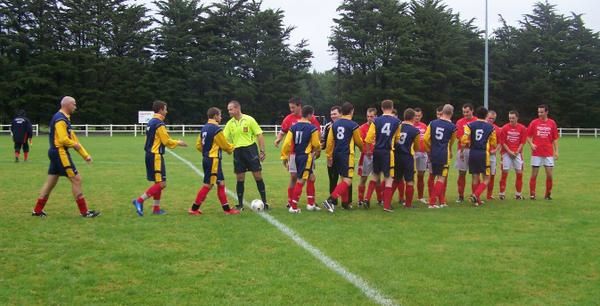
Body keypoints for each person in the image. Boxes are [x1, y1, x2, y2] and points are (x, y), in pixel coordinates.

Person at [32, 96, 100, 218]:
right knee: (77, 179)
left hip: (55, 152)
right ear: (67, 105)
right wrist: (76, 146)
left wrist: (85, 155)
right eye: (74, 104)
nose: (75, 107)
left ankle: (37, 210)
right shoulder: (60, 119)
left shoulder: (65, 119)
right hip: (60, 153)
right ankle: (84, 212)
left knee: (50, 182)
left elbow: (74, 138)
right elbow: (64, 139)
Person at [132, 100, 187, 216]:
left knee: (158, 183)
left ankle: (156, 209)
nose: (167, 111)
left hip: (149, 154)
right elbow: (166, 141)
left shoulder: (151, 122)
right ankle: (139, 200)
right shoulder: (159, 124)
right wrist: (179, 142)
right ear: (161, 109)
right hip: (155, 156)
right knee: (162, 184)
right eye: (165, 109)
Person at [189, 107, 240, 215]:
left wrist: (206, 151)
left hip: (208, 159)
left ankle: (227, 210)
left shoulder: (204, 128)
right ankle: (194, 209)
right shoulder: (216, 129)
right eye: (220, 115)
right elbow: (224, 144)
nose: (221, 117)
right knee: (208, 185)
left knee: (221, 183)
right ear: (215, 116)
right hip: (213, 160)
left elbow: (198, 145)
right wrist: (232, 147)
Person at [274, 97, 321, 209]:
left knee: (310, 177)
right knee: (294, 177)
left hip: (308, 153)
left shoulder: (312, 119)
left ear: (300, 106)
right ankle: (291, 202)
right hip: (294, 154)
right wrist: (278, 139)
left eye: (293, 107)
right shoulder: (288, 119)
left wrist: (316, 150)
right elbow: (283, 132)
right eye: (290, 107)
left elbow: (317, 133)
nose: (291, 110)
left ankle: (310, 202)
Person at [223, 100, 269, 210]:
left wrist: (262, 151)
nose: (229, 111)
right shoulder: (230, 123)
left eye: (231, 109)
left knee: (257, 176)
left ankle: (265, 202)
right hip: (238, 152)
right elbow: (223, 138)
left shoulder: (249, 120)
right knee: (239, 178)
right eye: (228, 110)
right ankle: (240, 204)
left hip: (250, 150)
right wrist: (228, 147)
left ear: (237, 108)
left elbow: (259, 134)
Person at [321, 102, 364, 212]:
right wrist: (364, 149)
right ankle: (330, 200)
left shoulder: (334, 124)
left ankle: (345, 203)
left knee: (343, 178)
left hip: (336, 154)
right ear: (352, 111)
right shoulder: (353, 125)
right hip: (347, 155)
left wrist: (329, 156)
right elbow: (358, 141)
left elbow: (330, 142)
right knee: (347, 180)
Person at [365, 100, 401, 212]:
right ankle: (386, 205)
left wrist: (368, 151)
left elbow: (369, 138)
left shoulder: (376, 121)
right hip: (387, 152)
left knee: (375, 175)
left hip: (377, 151)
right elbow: (398, 138)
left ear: (381, 108)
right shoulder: (397, 122)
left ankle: (367, 198)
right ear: (392, 107)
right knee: (389, 178)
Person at [461, 107, 497, 206]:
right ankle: (475, 195)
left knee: (475, 177)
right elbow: (494, 142)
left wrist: (467, 142)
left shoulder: (469, 125)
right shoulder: (491, 127)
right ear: (486, 116)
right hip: (483, 154)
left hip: (472, 152)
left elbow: (464, 139)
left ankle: (477, 201)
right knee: (487, 178)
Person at [424, 104, 456, 208]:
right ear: (451, 113)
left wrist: (429, 148)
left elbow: (425, 138)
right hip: (443, 154)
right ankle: (432, 202)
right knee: (441, 178)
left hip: (433, 153)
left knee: (434, 176)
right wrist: (450, 150)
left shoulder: (432, 123)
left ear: (442, 112)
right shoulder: (452, 127)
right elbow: (451, 142)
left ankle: (441, 201)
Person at [321, 105, 352, 206]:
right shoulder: (327, 126)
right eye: (331, 114)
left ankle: (347, 202)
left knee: (346, 178)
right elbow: (324, 142)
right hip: (332, 157)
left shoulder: (348, 125)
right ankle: (333, 202)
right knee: (333, 179)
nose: (332, 116)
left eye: (335, 114)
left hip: (344, 156)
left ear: (341, 114)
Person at [527, 104, 559, 200]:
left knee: (549, 174)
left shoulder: (552, 123)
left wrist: (556, 151)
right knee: (534, 174)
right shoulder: (534, 122)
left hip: (548, 153)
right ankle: (532, 194)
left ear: (546, 112)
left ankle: (548, 194)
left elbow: (555, 139)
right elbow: (528, 135)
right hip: (537, 153)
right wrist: (531, 144)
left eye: (541, 112)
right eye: (538, 112)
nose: (539, 114)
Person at [394, 108, 421, 208]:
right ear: (413, 118)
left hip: (396, 155)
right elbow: (417, 147)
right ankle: (408, 204)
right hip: (407, 157)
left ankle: (386, 200)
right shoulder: (415, 131)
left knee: (396, 179)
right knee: (409, 180)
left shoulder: (397, 126)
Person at [499, 110, 528, 200]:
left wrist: (516, 152)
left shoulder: (522, 128)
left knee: (519, 173)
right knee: (504, 173)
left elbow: (522, 142)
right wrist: (509, 152)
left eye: (513, 118)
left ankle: (518, 194)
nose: (511, 120)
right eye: (510, 118)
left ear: (517, 118)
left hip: (517, 154)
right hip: (506, 154)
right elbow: (503, 142)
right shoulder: (504, 128)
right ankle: (502, 194)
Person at [455, 103, 477, 203]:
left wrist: (470, 142)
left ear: (472, 111)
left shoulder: (476, 121)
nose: (465, 114)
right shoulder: (460, 122)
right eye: (464, 112)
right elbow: (458, 135)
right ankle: (460, 196)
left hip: (474, 150)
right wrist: (465, 143)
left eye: (467, 112)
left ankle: (475, 195)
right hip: (462, 150)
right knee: (462, 173)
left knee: (475, 174)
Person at [357, 108, 377, 208]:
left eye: (372, 116)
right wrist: (365, 150)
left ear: (376, 116)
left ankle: (380, 199)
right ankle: (360, 200)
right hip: (366, 156)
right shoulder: (362, 128)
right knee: (363, 178)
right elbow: (359, 143)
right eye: (368, 116)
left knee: (377, 178)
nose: (369, 118)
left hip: (377, 155)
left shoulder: (379, 126)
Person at [413, 108, 429, 204]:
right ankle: (404, 197)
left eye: (419, 116)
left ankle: (420, 196)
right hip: (413, 152)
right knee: (409, 175)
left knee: (421, 175)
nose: (417, 117)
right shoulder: (409, 125)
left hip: (423, 153)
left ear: (421, 116)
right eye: (415, 116)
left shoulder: (424, 126)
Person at [485, 110, 501, 200]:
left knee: (492, 174)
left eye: (493, 119)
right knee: (479, 174)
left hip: (492, 155)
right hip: (482, 154)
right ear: (486, 117)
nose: (491, 120)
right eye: (489, 118)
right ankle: (476, 193)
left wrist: (495, 150)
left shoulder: (497, 129)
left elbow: (500, 142)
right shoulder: (482, 127)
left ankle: (489, 195)